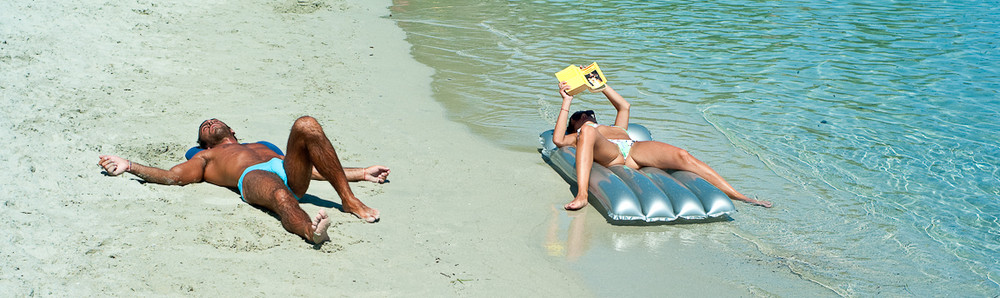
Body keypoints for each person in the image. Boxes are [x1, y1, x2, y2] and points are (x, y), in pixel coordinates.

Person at [98, 116, 390, 244]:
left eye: (213, 120)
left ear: (232, 130)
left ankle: (348, 200)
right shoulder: (206, 158)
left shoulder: (263, 144)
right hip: (253, 179)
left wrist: (362, 172)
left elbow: (313, 169)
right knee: (280, 196)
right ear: (204, 144)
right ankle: (310, 232)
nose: (209, 123)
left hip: (283, 168)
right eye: (204, 127)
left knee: (306, 125)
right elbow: (174, 178)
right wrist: (130, 165)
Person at [552, 81, 772, 210]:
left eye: (590, 113)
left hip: (635, 149)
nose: (587, 115)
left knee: (683, 156)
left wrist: (600, 85)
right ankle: (582, 195)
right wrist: (567, 100)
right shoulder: (582, 134)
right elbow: (558, 140)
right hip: (613, 155)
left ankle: (739, 195)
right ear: (574, 124)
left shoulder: (612, 126)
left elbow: (624, 106)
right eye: (580, 115)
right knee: (589, 132)